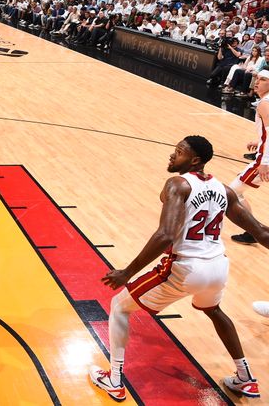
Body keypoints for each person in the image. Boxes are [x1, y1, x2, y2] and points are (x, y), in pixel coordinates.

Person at [88, 135, 269, 402]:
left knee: (119, 306)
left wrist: (127, 272)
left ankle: (114, 380)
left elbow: (165, 235)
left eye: (179, 152)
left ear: (195, 160)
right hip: (218, 268)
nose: (172, 156)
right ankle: (245, 378)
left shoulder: (178, 184)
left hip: (186, 269)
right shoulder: (225, 190)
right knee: (214, 310)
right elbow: (262, 232)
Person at [230, 70, 269, 244]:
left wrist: (265, 161)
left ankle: (253, 231)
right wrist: (259, 140)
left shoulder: (264, 104)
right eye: (257, 78)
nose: (257, 81)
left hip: (265, 159)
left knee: (233, 192)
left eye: (263, 79)